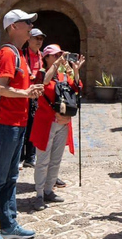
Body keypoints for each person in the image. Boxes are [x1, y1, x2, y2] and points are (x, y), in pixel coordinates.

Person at [0, 9, 44, 239]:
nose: (30, 26)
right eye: (26, 22)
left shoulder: (20, 55)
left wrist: (31, 90)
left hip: (18, 123)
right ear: (13, 26)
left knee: (11, 177)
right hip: (6, 123)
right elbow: (0, 88)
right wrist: (25, 93)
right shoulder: (8, 54)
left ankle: (9, 225)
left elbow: (14, 87)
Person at [29, 45, 84, 211]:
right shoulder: (42, 73)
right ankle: (39, 194)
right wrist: (56, 64)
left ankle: (48, 190)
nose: (60, 57)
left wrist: (75, 70)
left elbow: (77, 88)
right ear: (47, 58)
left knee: (56, 160)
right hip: (46, 123)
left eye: (61, 54)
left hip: (63, 123)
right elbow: (44, 82)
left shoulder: (64, 74)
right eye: (55, 55)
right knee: (42, 161)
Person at [21, 28, 46, 169]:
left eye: (41, 39)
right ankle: (20, 157)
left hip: (38, 96)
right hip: (24, 94)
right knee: (23, 126)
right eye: (36, 38)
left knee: (34, 127)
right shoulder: (22, 55)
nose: (39, 41)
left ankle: (30, 157)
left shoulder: (43, 57)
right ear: (28, 39)